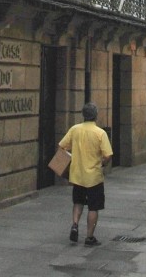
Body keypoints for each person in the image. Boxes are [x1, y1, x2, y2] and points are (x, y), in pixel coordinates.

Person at [59, 102, 113, 247]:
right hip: (94, 177)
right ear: (96, 115)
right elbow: (108, 155)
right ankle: (89, 237)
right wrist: (102, 164)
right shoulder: (100, 133)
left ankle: (75, 224)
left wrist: (72, 157)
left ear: (83, 115)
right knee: (93, 207)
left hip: (77, 175)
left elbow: (62, 146)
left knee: (78, 202)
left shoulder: (74, 129)